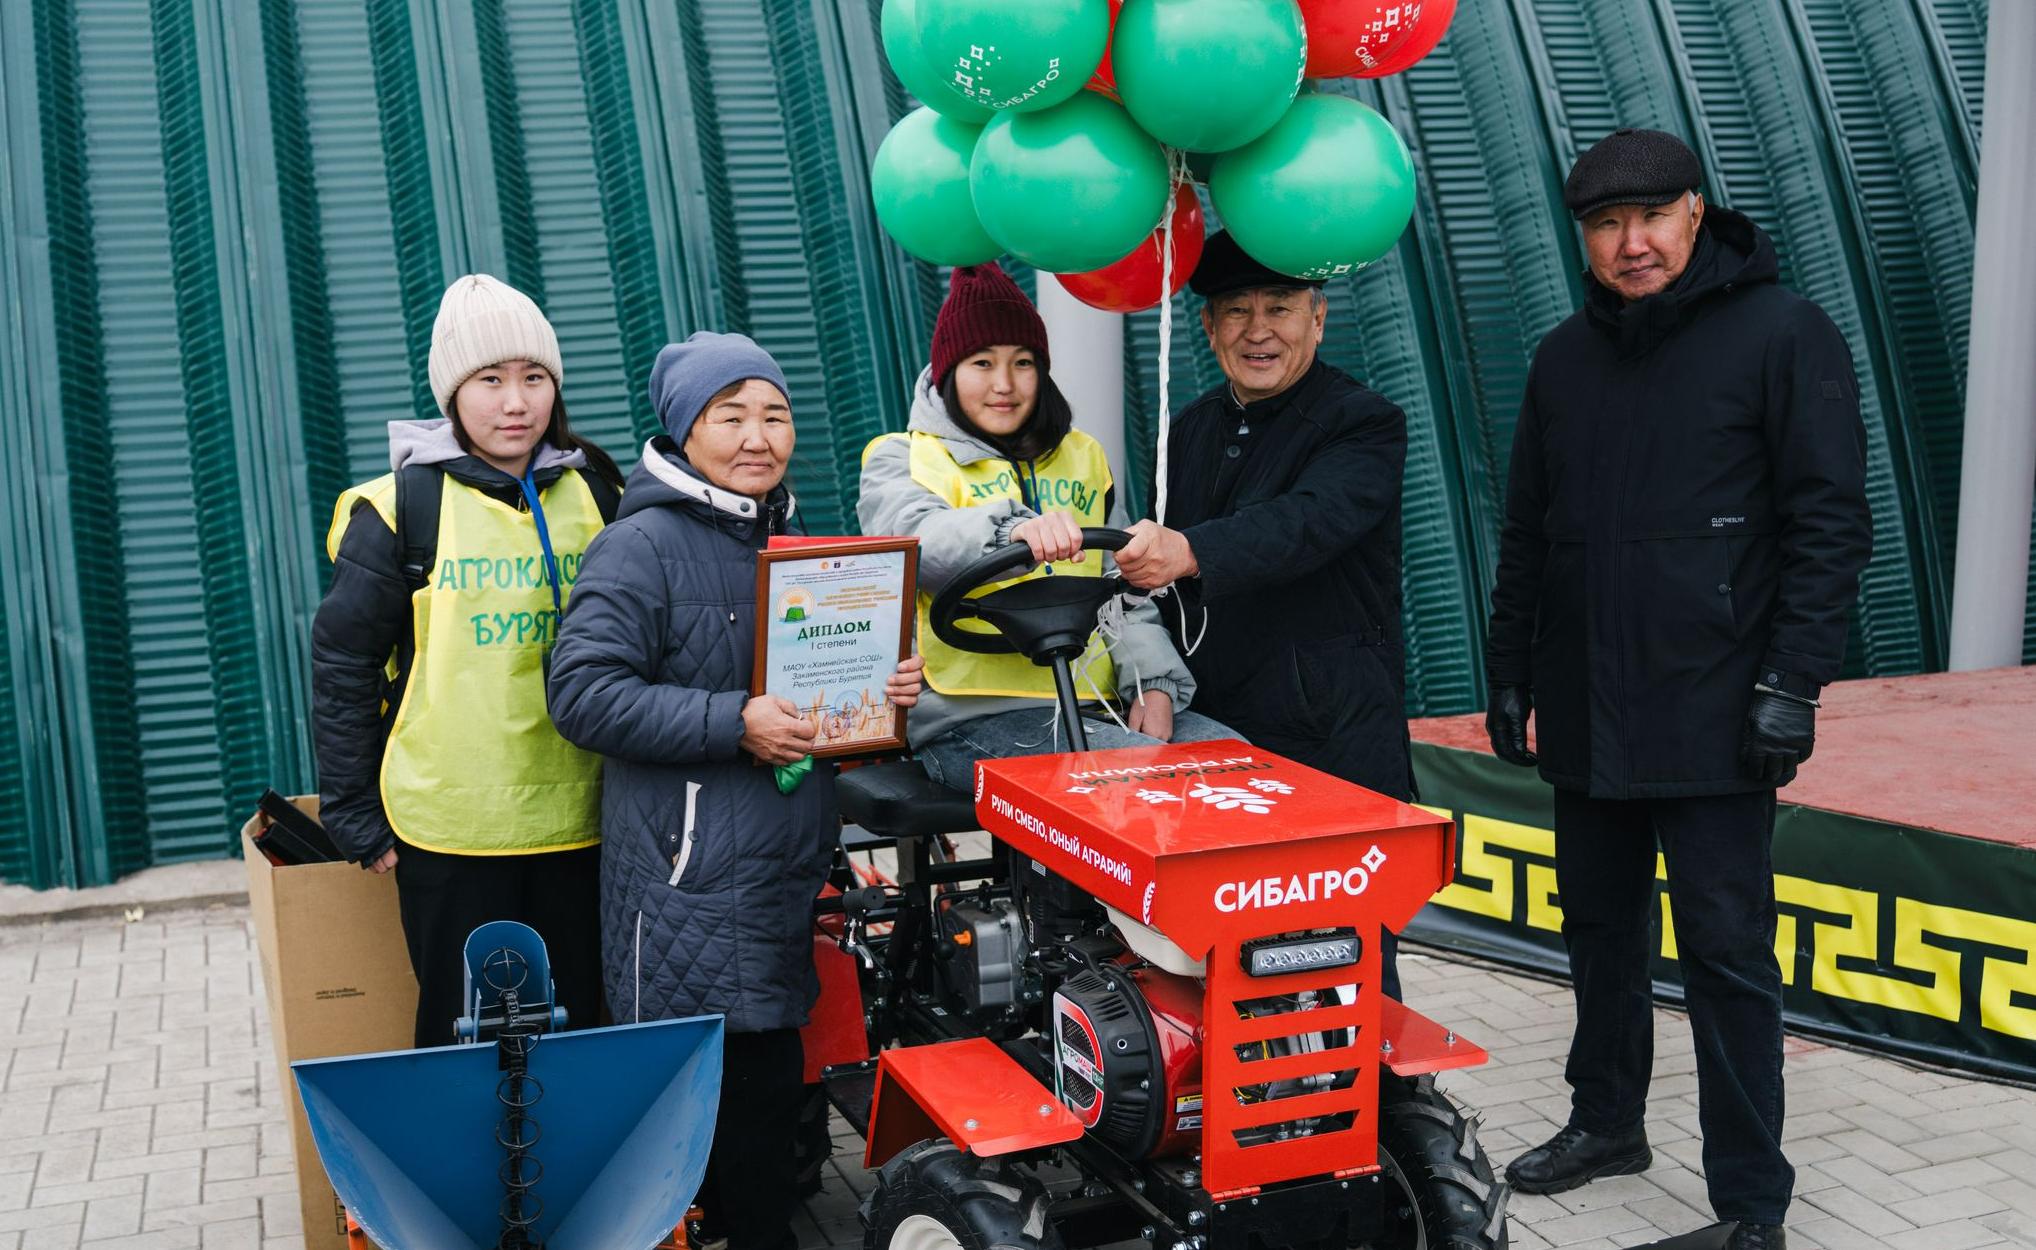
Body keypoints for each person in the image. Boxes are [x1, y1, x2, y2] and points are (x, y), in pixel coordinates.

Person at [1483, 129, 1871, 1250]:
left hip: (1714, 710)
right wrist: (1508, 665)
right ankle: (1605, 1121)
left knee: (1723, 951)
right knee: (1598, 929)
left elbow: (1827, 525)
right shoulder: (1561, 358)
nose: (1629, 242)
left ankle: (1749, 1196)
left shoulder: (1781, 334)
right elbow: (1526, 532)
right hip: (1585, 709)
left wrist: (1792, 681)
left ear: (1695, 214)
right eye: (1604, 226)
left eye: (1649, 218)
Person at [546, 331, 925, 1250]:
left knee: (760, 1099)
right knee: (718, 1103)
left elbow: (802, 690)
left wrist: (881, 690)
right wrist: (734, 722)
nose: (760, 436)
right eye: (733, 416)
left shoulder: (793, 542)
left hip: (776, 872)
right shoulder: (640, 547)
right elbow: (582, 694)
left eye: (776, 414)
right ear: (684, 431)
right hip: (690, 880)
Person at [311, 274, 626, 1048]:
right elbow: (344, 664)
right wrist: (354, 813)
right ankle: (480, 1173)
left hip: (587, 819)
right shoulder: (398, 508)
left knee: (584, 1025)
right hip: (451, 827)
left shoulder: (600, 490)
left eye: (533, 377)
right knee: (467, 1035)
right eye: (489, 380)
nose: (514, 402)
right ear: (452, 392)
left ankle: (573, 1171)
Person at [1114, 231, 1413, 996]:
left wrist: (1186, 551)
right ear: (1208, 329)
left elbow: (1308, 523)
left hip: (1333, 736)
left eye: (1279, 307)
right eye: (1235, 311)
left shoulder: (1362, 421)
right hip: (1221, 736)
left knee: (1348, 955)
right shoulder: (1192, 426)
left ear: (1318, 319)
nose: (1258, 329)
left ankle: (1380, 1110)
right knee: (1238, 953)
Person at [858, 263, 1232, 788]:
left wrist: (1153, 684)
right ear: (947, 372)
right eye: (982, 363)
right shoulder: (902, 458)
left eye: (1023, 363)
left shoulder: (1084, 456)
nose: (1004, 384)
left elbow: (1126, 589)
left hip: (1093, 704)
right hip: (969, 719)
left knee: (1241, 767)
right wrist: (1009, 532)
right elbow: (918, 544)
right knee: (1143, 784)